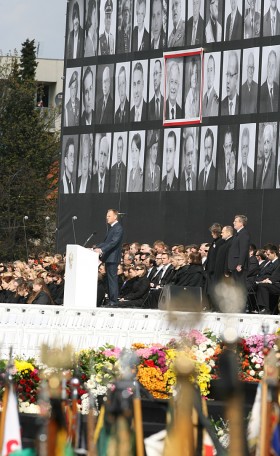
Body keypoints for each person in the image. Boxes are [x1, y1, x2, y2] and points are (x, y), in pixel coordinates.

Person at [94, 209, 124, 307]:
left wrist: (101, 250)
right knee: (109, 279)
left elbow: (113, 242)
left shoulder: (118, 228)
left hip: (113, 257)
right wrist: (95, 247)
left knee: (112, 279)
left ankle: (114, 301)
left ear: (115, 217)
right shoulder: (112, 228)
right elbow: (106, 242)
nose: (107, 218)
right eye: (107, 216)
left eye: (109, 216)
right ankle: (111, 300)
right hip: (109, 257)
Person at [227, 214, 250, 285]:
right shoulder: (238, 234)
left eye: (235, 221)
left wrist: (240, 264)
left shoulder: (244, 234)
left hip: (238, 266)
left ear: (241, 223)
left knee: (239, 287)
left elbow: (244, 250)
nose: (233, 223)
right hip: (234, 265)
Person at [256, 124, 276, 189]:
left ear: (272, 143)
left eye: (268, 142)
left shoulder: (274, 164)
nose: (266, 148)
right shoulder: (262, 164)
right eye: (264, 143)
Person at [221, 51, 239, 116]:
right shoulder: (220, 106)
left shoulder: (243, 105)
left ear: (236, 78)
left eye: (231, 75)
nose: (227, 81)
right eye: (227, 75)